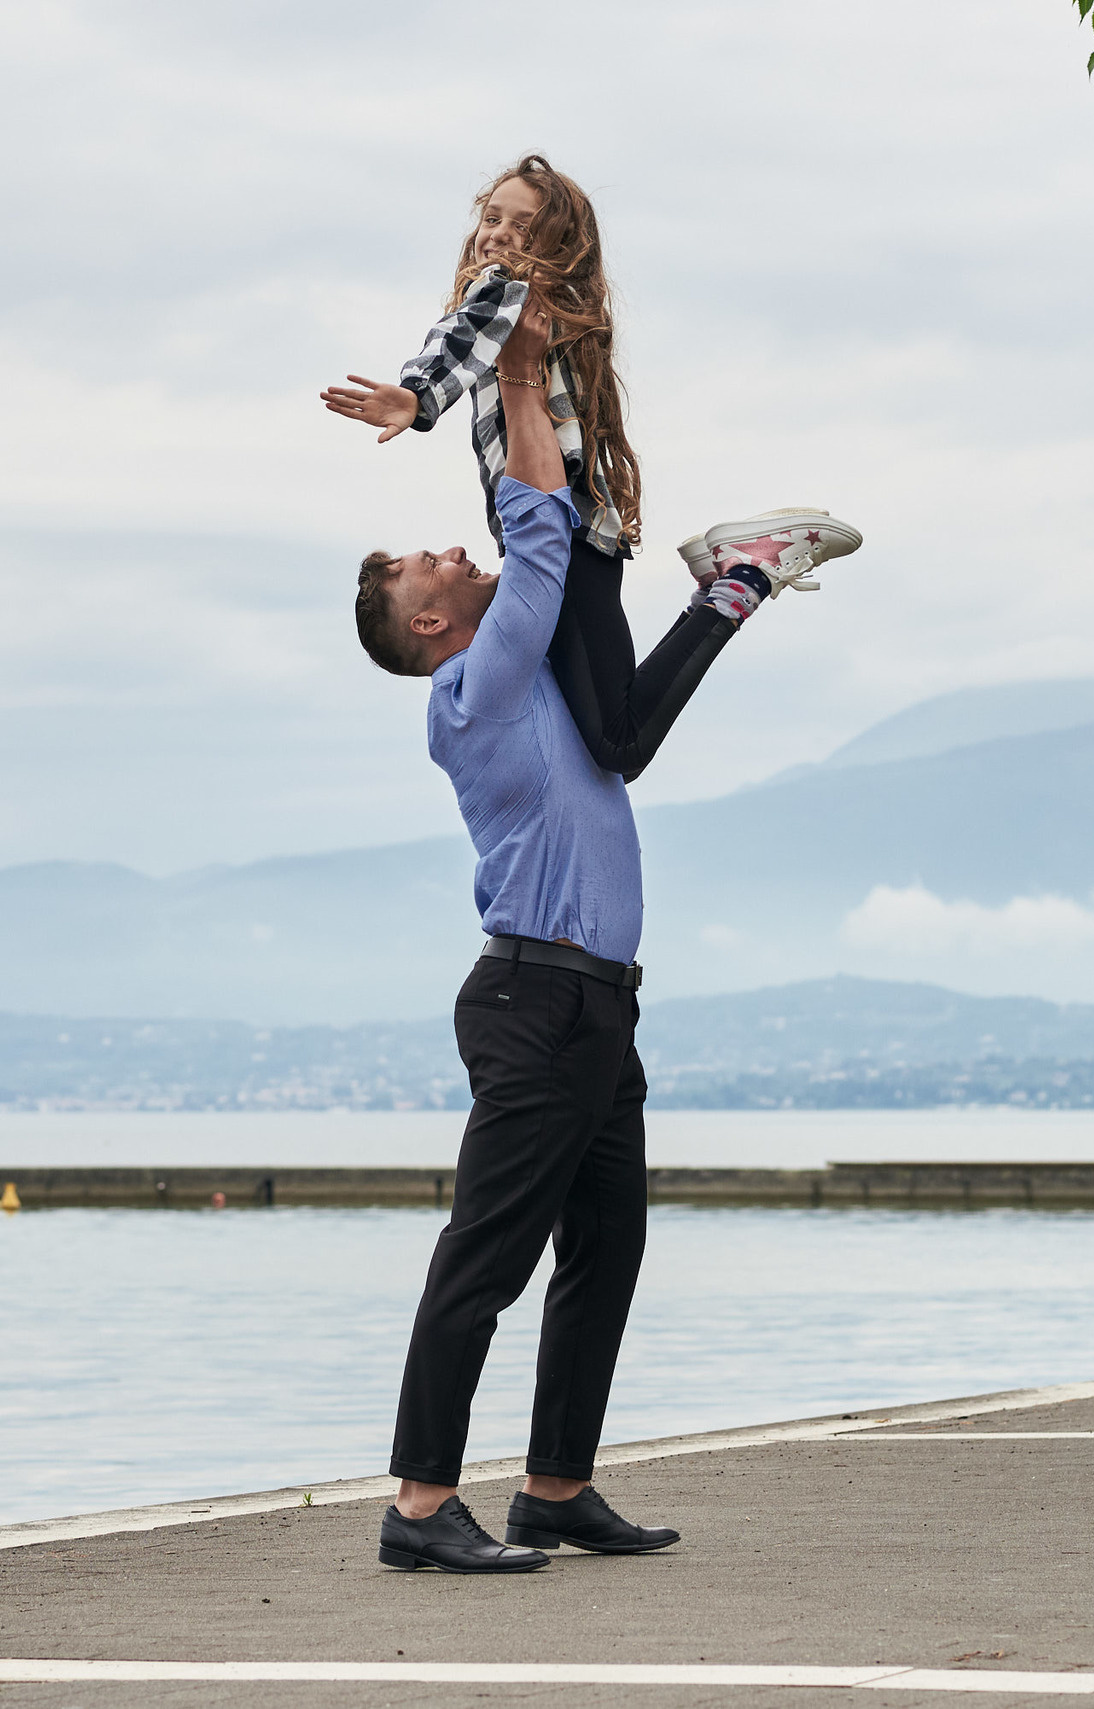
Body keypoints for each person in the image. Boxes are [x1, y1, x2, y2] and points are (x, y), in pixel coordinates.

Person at [349, 287, 862, 1573]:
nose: (444, 554)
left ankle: (555, 1486)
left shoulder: (540, 688)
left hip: (595, 1002)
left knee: (607, 1253)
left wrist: (538, 377)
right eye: (428, 564)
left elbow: (593, 654)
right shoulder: (471, 692)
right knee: (486, 1257)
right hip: (531, 1000)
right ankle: (418, 1506)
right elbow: (533, 547)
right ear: (428, 627)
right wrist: (517, 380)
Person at [322, 154, 860, 783]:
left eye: (520, 225)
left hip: (561, 538)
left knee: (619, 743)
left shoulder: (504, 292)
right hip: (572, 534)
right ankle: (722, 585)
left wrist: (418, 398)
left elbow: (460, 337)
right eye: (490, 218)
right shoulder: (554, 309)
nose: (496, 233)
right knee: (604, 730)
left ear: (555, 244)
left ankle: (740, 581)